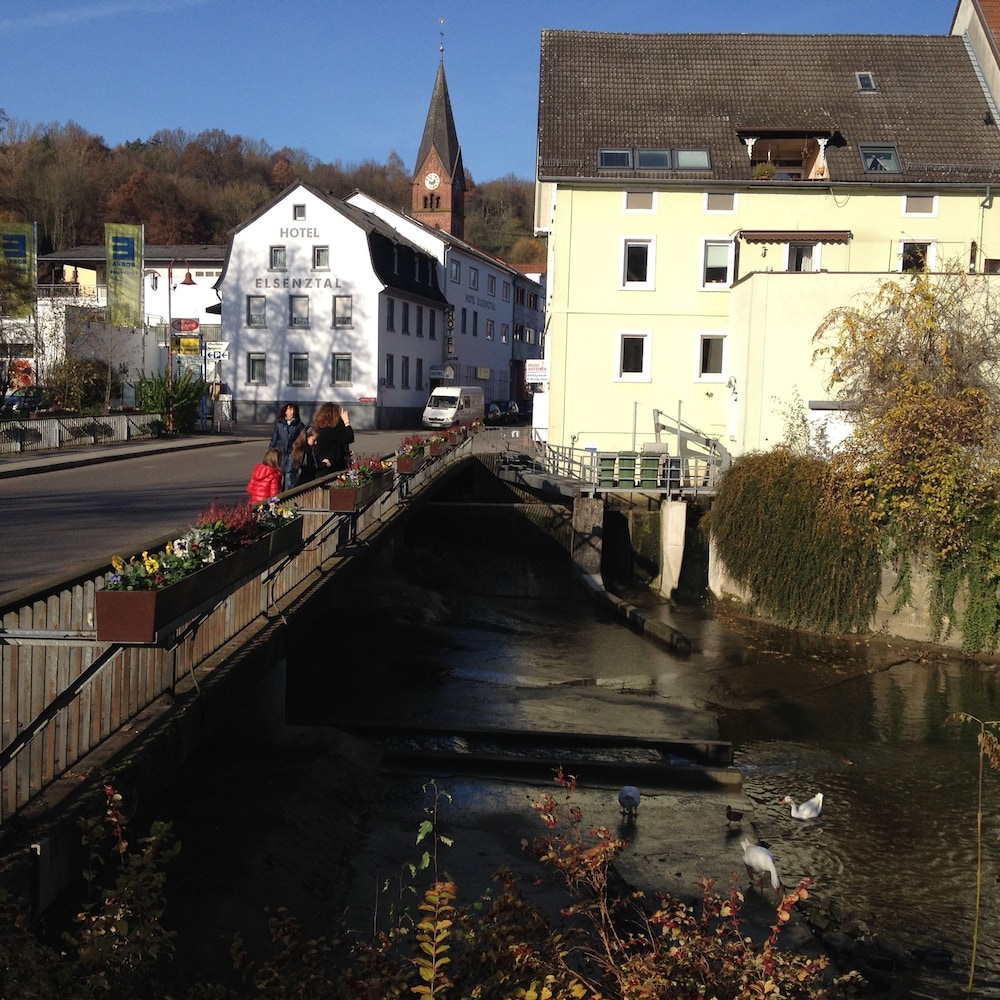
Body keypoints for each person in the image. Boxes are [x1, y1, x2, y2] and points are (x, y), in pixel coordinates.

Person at [269, 402, 304, 491]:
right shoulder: (279, 424)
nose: (292, 411)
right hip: (280, 454)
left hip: (292, 454)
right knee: (278, 475)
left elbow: (302, 440)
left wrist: (298, 451)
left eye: (293, 409)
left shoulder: (299, 425)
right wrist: (271, 452)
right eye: (289, 409)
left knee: (289, 475)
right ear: (285, 411)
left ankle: (288, 494)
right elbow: (274, 439)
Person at [313, 402, 355, 473]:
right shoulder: (328, 430)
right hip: (328, 467)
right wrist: (346, 422)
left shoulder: (324, 429)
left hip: (332, 464)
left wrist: (344, 452)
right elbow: (349, 437)